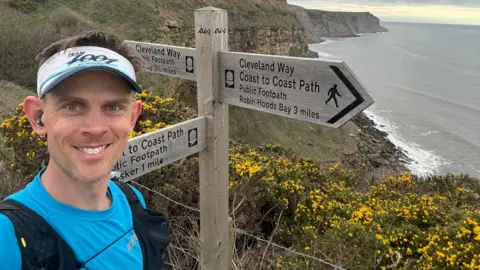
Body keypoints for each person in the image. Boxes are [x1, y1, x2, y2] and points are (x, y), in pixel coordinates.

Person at [0, 31, 170, 269]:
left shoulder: (130, 199)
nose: (95, 128)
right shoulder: (9, 236)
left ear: (132, 117)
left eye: (113, 107)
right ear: (37, 116)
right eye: (72, 106)